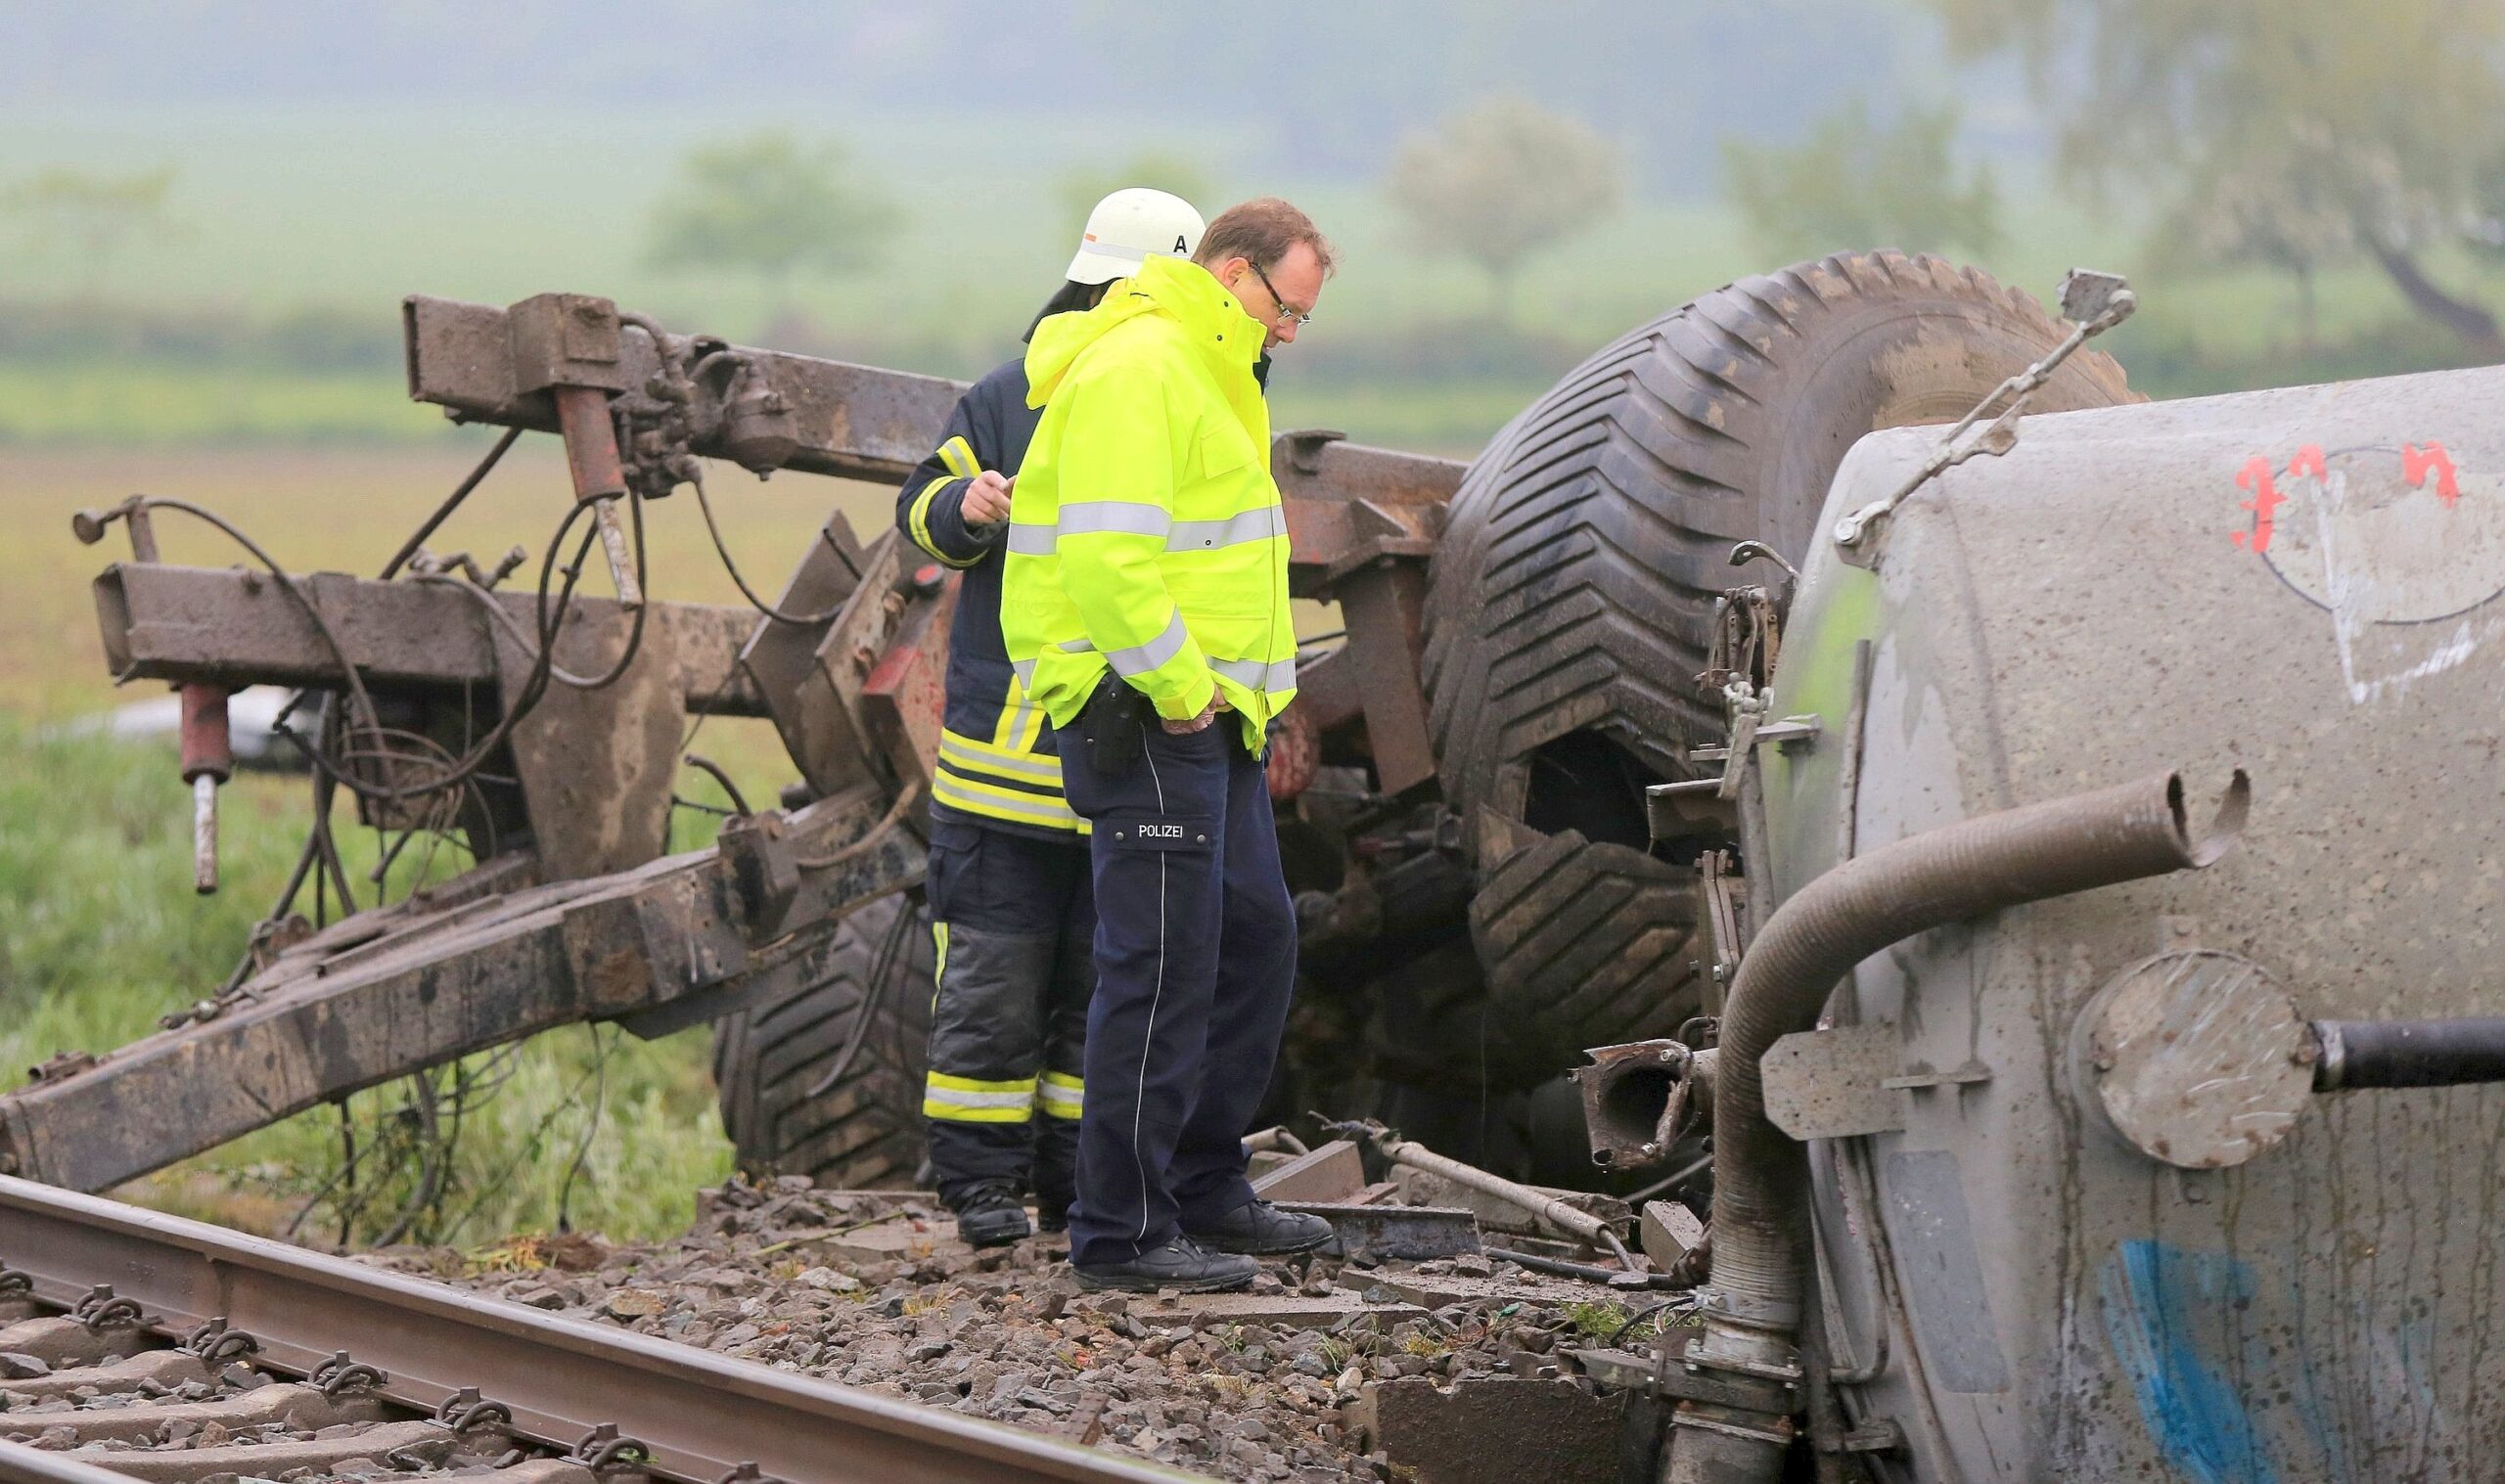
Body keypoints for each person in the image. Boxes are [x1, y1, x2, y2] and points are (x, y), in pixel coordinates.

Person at [1000, 198, 1335, 1291]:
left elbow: (1221, 559)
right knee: (1158, 968)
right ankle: (1119, 1232)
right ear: (1233, 273)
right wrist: (1184, 691)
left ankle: (1203, 1186)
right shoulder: (1142, 364)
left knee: (1252, 935)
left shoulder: (1213, 365)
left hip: (1208, 716)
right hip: (1139, 707)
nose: (1291, 332)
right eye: (1288, 308)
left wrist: (1258, 701)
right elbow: (1108, 562)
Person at [896, 188, 1208, 1248]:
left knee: (1096, 998)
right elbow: (923, 510)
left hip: (1121, 765)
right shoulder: (1002, 397)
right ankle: (981, 1192)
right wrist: (965, 508)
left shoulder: (1182, 398)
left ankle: (1075, 1188)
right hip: (1007, 770)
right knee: (993, 988)